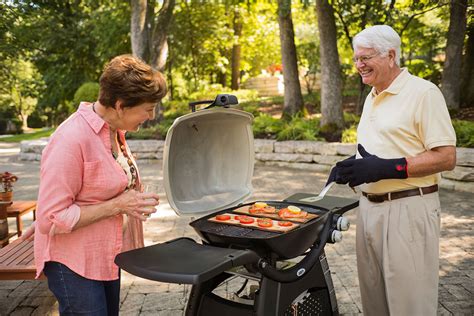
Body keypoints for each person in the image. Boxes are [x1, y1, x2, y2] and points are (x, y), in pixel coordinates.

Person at [328, 25, 456, 315]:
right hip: (369, 211)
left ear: (390, 55)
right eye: (356, 58)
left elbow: (446, 157)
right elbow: (382, 148)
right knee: (375, 304)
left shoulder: (424, 93)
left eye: (366, 57)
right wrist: (352, 167)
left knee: (409, 305)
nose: (359, 65)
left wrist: (389, 168)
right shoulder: (372, 95)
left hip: (408, 210)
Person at [34, 54, 167, 315]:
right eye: (148, 108)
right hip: (72, 263)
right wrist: (119, 205)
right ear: (120, 105)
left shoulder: (112, 130)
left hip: (104, 256)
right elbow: (51, 218)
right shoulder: (71, 139)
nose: (151, 116)